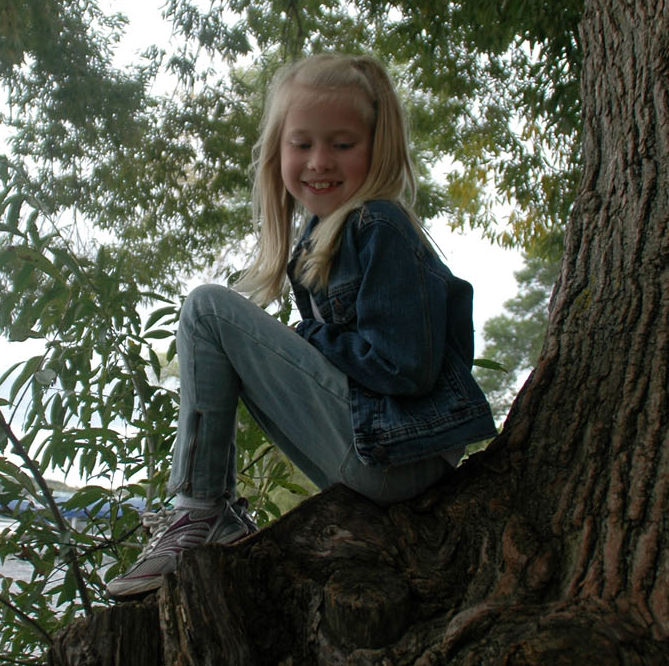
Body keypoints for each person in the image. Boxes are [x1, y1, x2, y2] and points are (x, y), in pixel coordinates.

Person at [106, 52, 496, 599]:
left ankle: (200, 511)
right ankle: (209, 513)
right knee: (216, 323)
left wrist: (308, 337)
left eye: (343, 144)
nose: (319, 161)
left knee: (207, 311)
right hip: (381, 459)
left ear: (377, 147)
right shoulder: (320, 237)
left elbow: (405, 367)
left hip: (398, 455)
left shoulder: (378, 225)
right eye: (302, 143)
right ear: (278, 152)